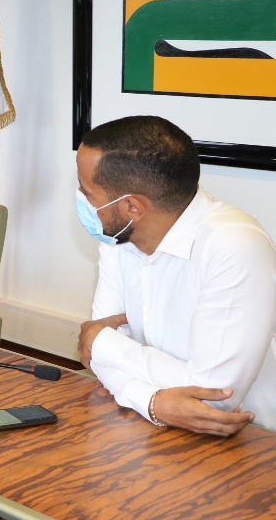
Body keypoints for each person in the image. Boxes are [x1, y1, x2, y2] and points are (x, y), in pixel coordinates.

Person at [75, 116, 276, 435]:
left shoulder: (234, 246)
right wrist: (152, 403)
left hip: (254, 438)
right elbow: (97, 361)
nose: (80, 199)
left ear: (132, 208)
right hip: (152, 428)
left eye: (87, 192)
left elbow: (214, 397)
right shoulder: (118, 237)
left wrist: (104, 343)